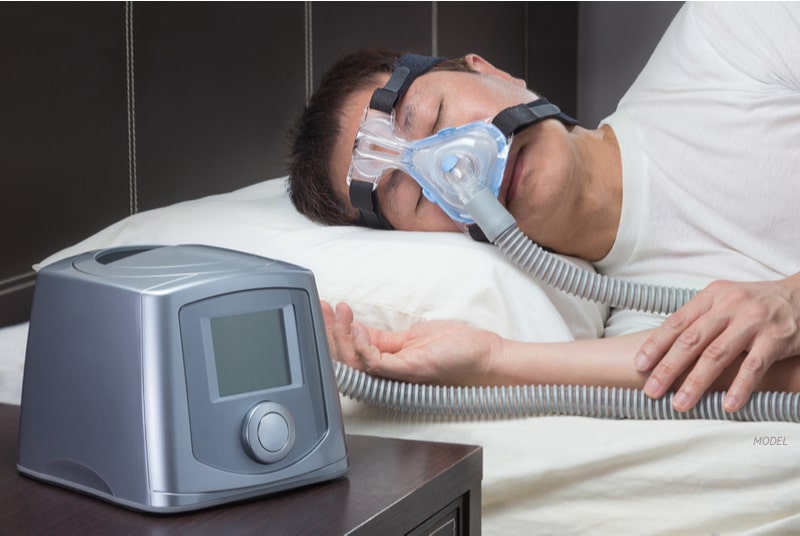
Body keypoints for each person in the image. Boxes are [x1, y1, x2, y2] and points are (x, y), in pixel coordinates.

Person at [287, 2, 800, 413]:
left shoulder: (728, 39)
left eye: (435, 114)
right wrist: (491, 361)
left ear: (491, 71)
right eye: (415, 195)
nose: (456, 162)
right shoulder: (645, 329)